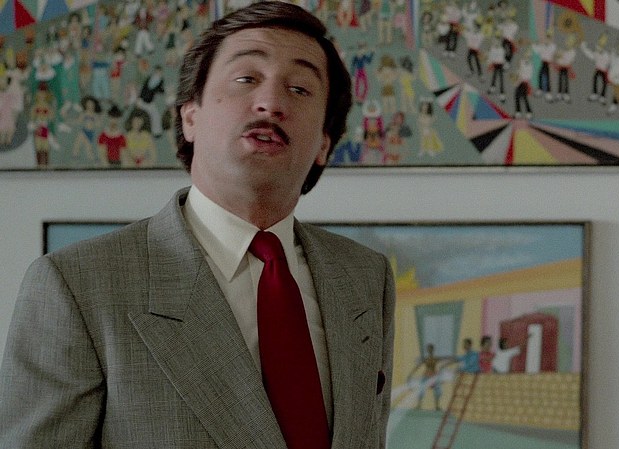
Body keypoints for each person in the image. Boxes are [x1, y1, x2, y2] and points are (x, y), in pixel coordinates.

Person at [0, 3, 395, 449]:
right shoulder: (77, 285)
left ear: (324, 144)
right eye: (246, 79)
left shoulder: (365, 278)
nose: (271, 103)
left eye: (300, 88)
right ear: (190, 116)